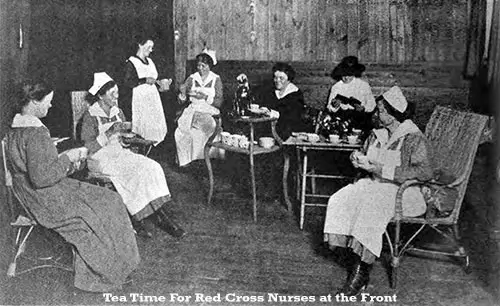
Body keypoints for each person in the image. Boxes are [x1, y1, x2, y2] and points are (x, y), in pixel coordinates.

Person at [4, 81, 140, 292]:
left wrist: (61, 158)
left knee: (108, 199)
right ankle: (110, 271)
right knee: (103, 206)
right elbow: (42, 178)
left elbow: (35, 167)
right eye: (48, 101)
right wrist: (69, 158)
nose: (50, 106)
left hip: (30, 194)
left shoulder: (15, 129)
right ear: (33, 101)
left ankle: (118, 264)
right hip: (45, 197)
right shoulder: (35, 133)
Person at [323, 86, 433, 296]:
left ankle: (361, 271)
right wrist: (357, 158)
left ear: (394, 115)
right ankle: (351, 253)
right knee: (341, 198)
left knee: (371, 206)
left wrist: (381, 169)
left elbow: (424, 172)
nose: (376, 114)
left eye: (381, 111)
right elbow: (367, 155)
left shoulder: (413, 138)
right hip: (375, 184)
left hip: (405, 192)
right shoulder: (377, 133)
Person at [81, 72, 185, 239]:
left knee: (151, 167)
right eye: (112, 94)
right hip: (100, 158)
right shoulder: (90, 115)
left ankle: (159, 215)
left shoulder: (118, 112)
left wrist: (126, 139)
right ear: (100, 96)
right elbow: (89, 147)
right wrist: (109, 132)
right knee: (135, 174)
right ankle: (139, 219)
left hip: (119, 153)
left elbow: (122, 140)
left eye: (117, 92)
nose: (117, 96)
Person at [175, 49, 224, 167]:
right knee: (182, 132)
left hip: (210, 111)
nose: (200, 68)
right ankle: (187, 161)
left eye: (204, 66)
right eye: (198, 65)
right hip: (193, 110)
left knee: (207, 128)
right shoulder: (192, 78)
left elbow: (219, 102)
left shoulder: (215, 79)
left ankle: (207, 160)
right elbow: (181, 99)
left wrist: (205, 97)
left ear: (210, 66)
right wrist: (182, 94)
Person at [122, 35, 169, 144]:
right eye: (148, 47)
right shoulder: (131, 62)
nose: (151, 50)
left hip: (153, 99)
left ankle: (152, 151)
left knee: (156, 126)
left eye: (152, 47)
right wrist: (144, 80)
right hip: (140, 99)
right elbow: (127, 82)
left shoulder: (151, 62)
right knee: (144, 127)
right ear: (140, 45)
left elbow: (154, 80)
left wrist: (161, 84)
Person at [326, 56, 376, 131]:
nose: (346, 78)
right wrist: (334, 105)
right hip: (341, 119)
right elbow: (329, 107)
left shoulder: (363, 85)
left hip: (360, 119)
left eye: (349, 75)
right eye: (344, 74)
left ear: (354, 73)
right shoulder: (336, 87)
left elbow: (372, 104)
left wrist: (363, 108)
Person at [259, 62, 307, 140]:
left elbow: (293, 117)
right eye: (275, 77)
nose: (277, 80)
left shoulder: (296, 94)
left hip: (289, 131)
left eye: (281, 78)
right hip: (270, 129)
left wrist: (272, 113)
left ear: (289, 79)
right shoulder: (271, 92)